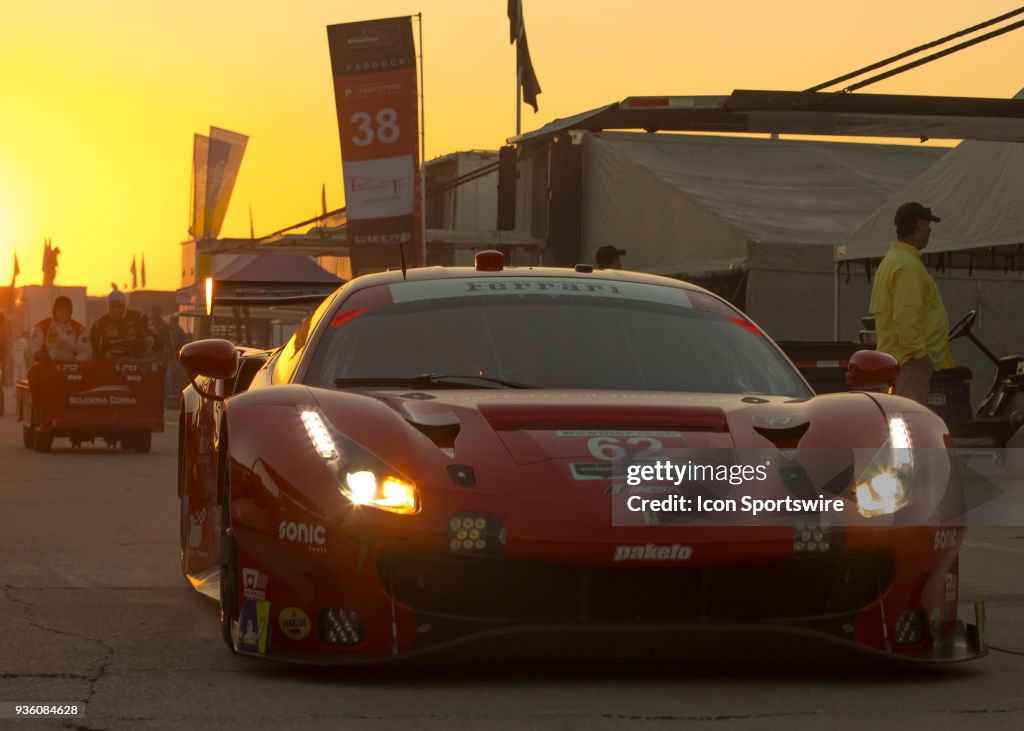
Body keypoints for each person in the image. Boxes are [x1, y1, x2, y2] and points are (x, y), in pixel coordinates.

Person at [868, 202, 954, 406]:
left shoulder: (892, 261)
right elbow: (907, 316)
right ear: (920, 225)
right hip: (909, 361)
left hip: (898, 359)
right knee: (909, 422)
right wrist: (920, 355)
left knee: (897, 420)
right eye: (928, 224)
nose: (930, 230)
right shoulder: (908, 266)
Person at [90, 290, 158, 359]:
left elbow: (159, 342)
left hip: (137, 359)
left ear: (125, 305)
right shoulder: (99, 325)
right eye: (112, 307)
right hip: (111, 361)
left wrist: (152, 340)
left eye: (119, 306)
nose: (116, 310)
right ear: (108, 307)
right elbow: (95, 352)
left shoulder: (139, 318)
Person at [28, 296, 91, 363]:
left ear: (70, 312)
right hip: (47, 364)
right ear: (54, 310)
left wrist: (75, 361)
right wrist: (39, 355)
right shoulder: (43, 326)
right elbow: (34, 346)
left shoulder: (79, 329)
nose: (63, 313)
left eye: (67, 310)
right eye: (60, 310)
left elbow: (86, 351)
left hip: (71, 366)